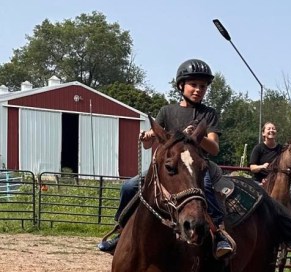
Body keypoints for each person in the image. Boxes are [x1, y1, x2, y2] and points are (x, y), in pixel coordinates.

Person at [98, 59, 232, 258]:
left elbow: (213, 148)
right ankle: (121, 230)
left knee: (207, 190)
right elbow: (147, 144)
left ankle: (219, 233)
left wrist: (198, 134)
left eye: (202, 86)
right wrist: (147, 136)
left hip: (196, 165)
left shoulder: (208, 115)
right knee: (129, 187)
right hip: (170, 167)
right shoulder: (167, 112)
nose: (198, 90)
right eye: (193, 85)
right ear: (181, 85)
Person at [248, 122, 291, 218]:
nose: (271, 130)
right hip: (261, 182)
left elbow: (289, 163)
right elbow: (252, 167)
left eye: (273, 129)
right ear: (263, 133)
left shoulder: (281, 149)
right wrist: (262, 166)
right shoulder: (258, 148)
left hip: (280, 183)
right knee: (253, 202)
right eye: (269, 129)